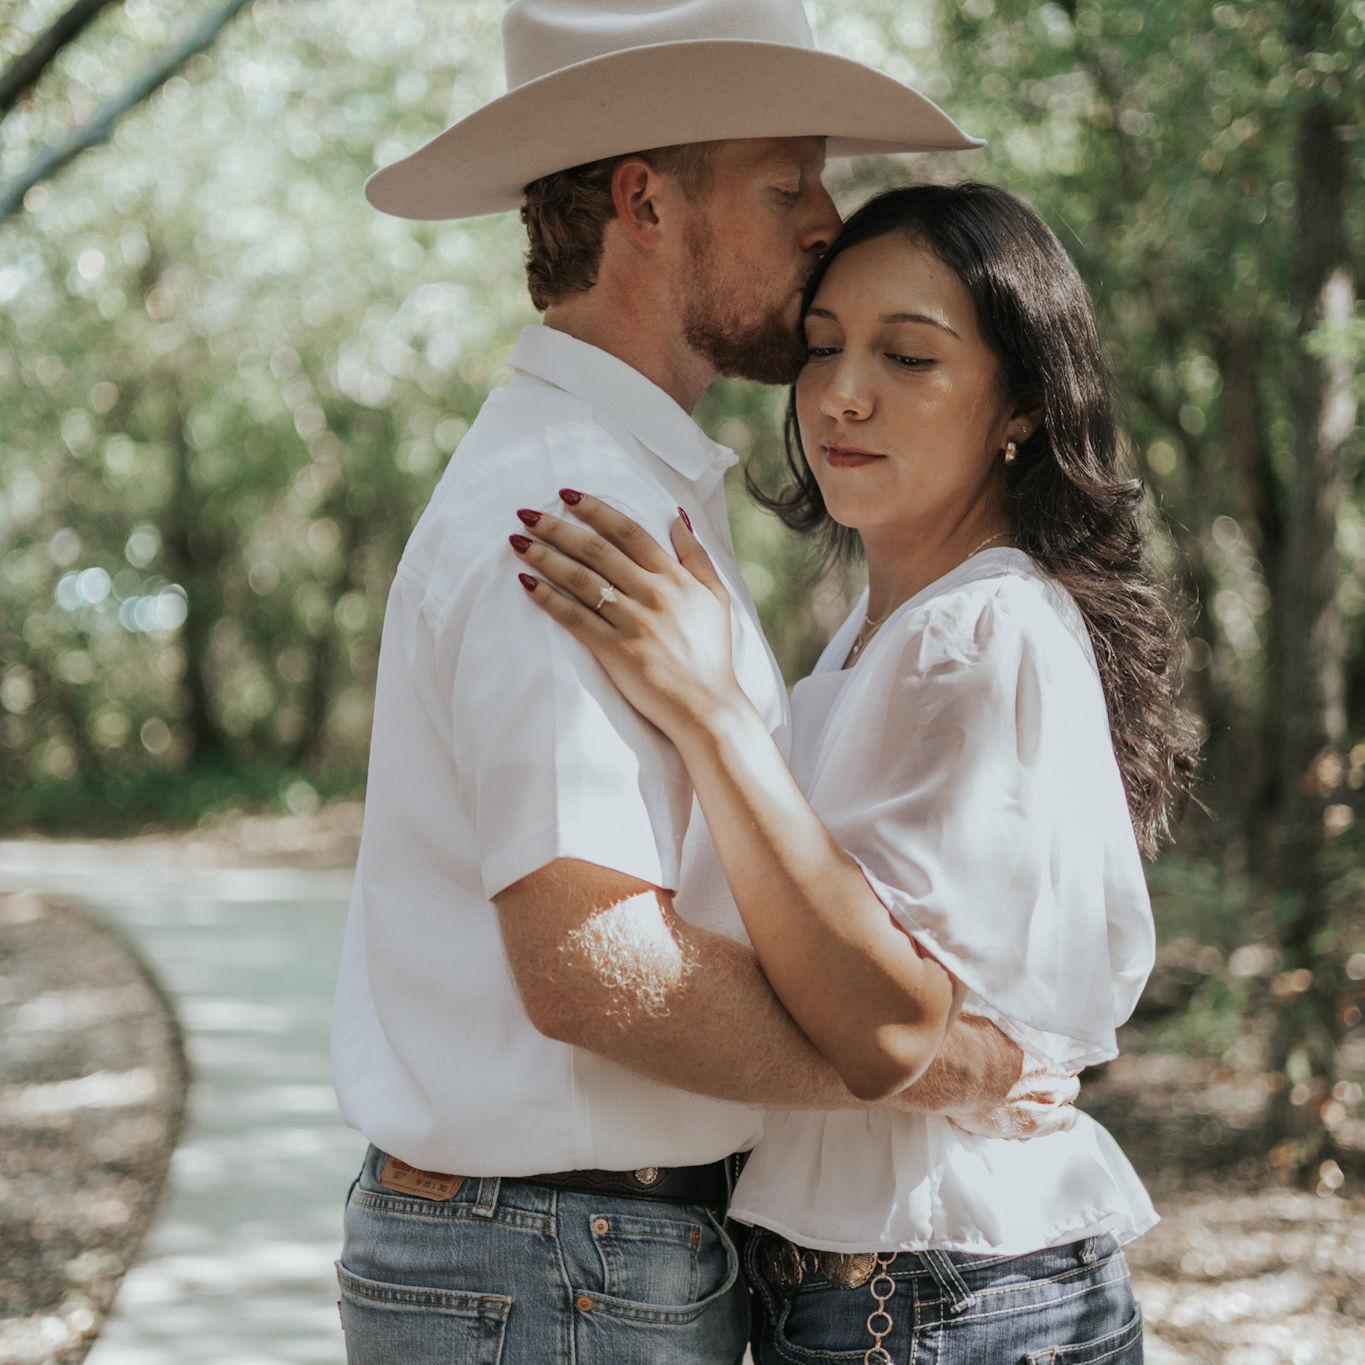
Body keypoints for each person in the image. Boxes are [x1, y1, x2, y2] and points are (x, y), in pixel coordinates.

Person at [330, 5, 1078, 1363]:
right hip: (553, 1261)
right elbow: (595, 965)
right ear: (644, 203)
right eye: (787, 186)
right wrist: (926, 1063)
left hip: (569, 1253)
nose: (825, 222)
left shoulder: (622, 477)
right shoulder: (571, 506)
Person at [510, 182, 1201, 1363]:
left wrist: (713, 717)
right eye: (823, 347)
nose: (842, 394)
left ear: (1023, 405)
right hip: (896, 1285)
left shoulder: (977, 631)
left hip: (942, 1293)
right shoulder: (879, 640)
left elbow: (881, 1029)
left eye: (909, 357)